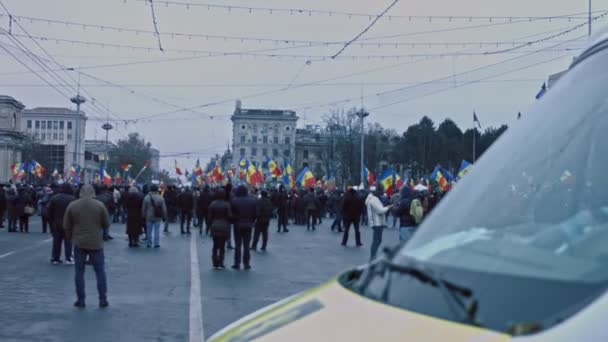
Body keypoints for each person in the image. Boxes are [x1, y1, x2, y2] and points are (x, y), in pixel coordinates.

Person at [63, 184, 110, 308]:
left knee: (79, 272)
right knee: (100, 272)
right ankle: (103, 299)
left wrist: (69, 237)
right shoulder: (99, 205)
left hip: (79, 242)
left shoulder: (73, 205)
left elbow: (67, 225)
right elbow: (106, 223)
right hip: (96, 243)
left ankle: (81, 299)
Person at [47, 183, 76, 265]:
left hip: (56, 222)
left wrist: (51, 221)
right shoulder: (72, 199)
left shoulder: (54, 198)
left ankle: (55, 258)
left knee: (56, 241)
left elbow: (49, 212)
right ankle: (68, 258)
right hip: (69, 223)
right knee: (68, 241)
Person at [230, 185, 257, 270]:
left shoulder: (234, 201)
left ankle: (237, 263)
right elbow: (255, 214)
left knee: (238, 245)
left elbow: (231, 214)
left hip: (237, 225)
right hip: (248, 225)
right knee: (246, 245)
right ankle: (247, 263)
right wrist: (252, 221)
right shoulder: (252, 201)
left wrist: (234, 221)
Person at [208, 187, 232, 269]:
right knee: (222, 246)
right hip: (224, 226)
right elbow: (229, 216)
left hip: (215, 226)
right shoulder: (226, 204)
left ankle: (215, 262)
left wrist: (209, 227)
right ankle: (221, 262)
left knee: (215, 246)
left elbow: (210, 217)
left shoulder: (212, 204)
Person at [366, 186, 392, 261]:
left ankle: (373, 256)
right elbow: (380, 210)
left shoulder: (373, 199)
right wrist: (388, 207)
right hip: (377, 222)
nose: (382, 193)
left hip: (376, 222)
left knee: (377, 240)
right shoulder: (374, 200)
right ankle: (373, 256)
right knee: (376, 240)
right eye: (381, 191)